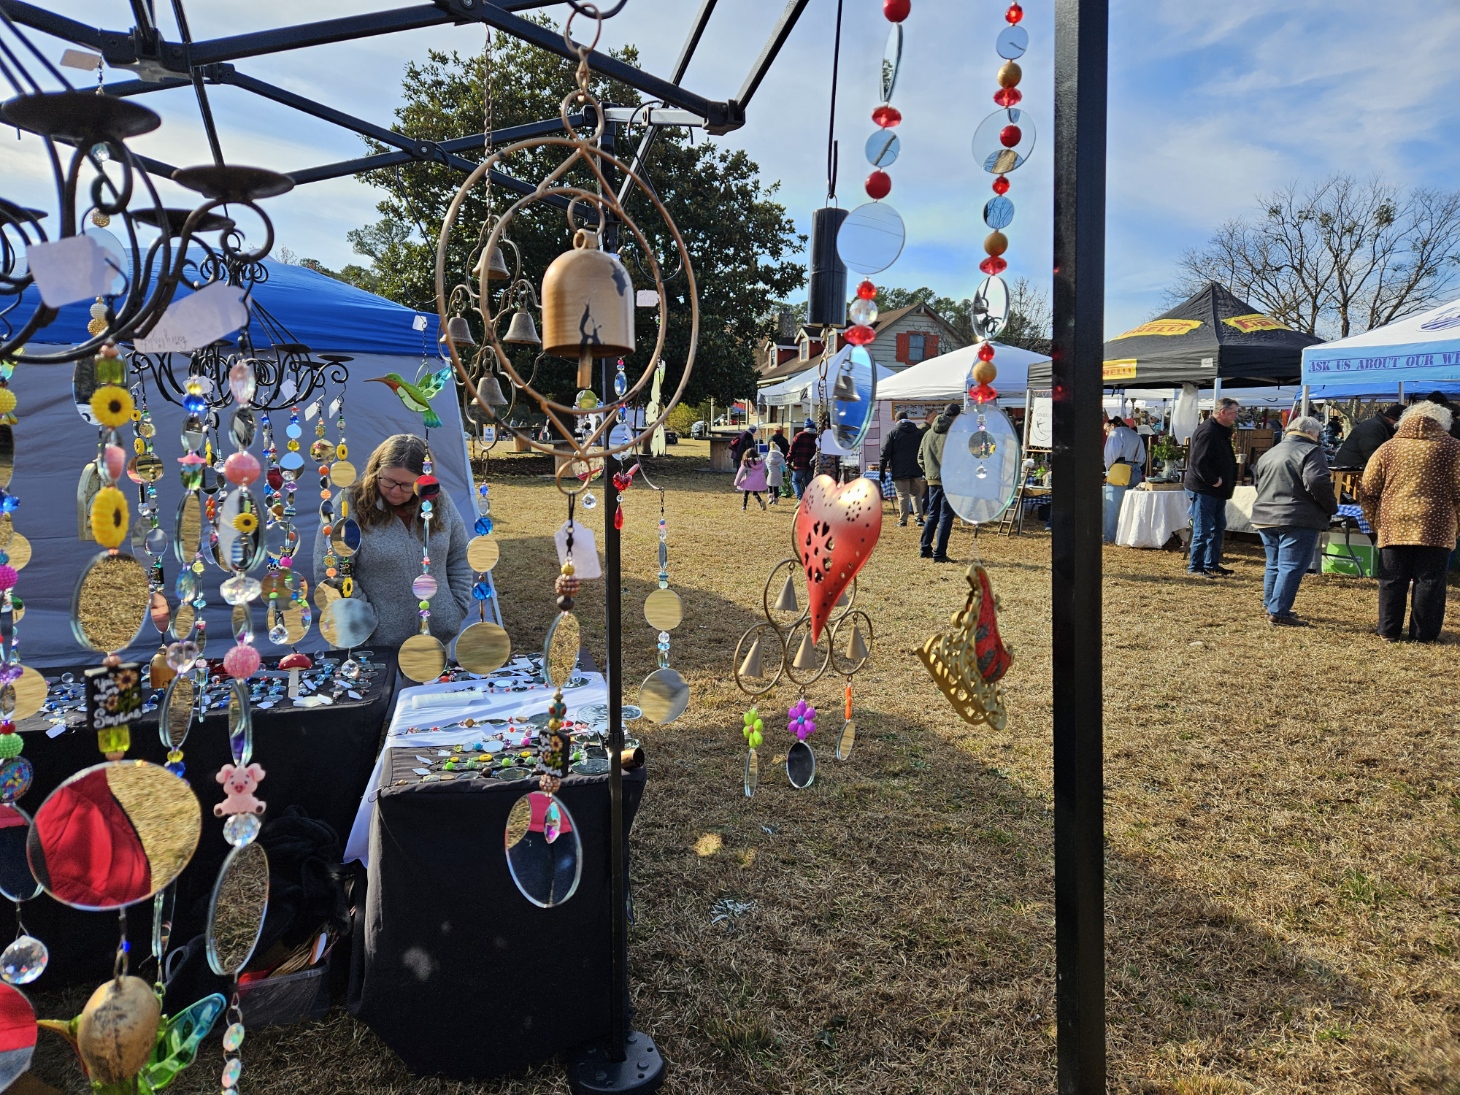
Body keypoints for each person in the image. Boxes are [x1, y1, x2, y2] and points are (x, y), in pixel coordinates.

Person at [314, 433, 473, 648]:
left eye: (407, 485)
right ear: (375, 471)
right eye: (388, 480)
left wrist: (454, 610)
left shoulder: (438, 500)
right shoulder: (350, 505)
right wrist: (368, 623)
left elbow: (459, 555)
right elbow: (331, 570)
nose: (395, 491)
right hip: (367, 647)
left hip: (433, 641)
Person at [1359, 401, 1460, 642]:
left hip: (1394, 522)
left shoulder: (1388, 448)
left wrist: (1375, 522)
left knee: (1392, 579)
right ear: (1443, 422)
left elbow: (1368, 490)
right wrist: (1456, 524)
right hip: (1437, 523)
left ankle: (1388, 630)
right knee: (1430, 581)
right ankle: (1423, 634)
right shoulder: (1454, 448)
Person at [1250, 416, 1337, 626]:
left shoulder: (1271, 452)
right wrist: (1331, 507)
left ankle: (1271, 604)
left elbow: (1258, 482)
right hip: (1297, 515)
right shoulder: (1311, 450)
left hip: (1265, 514)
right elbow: (1316, 480)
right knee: (1291, 565)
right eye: (1318, 435)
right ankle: (1278, 611)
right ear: (1312, 434)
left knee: (1275, 563)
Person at [1183, 397, 1240, 577]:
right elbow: (1198, 462)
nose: (1236, 417)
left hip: (1216, 490)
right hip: (1205, 489)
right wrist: (1214, 480)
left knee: (1217, 527)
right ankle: (1196, 566)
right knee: (1203, 529)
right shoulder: (1209, 431)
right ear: (1222, 412)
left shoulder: (1220, 430)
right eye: (1234, 413)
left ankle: (1211, 563)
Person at [919, 403, 960, 562]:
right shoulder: (955, 434)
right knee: (945, 517)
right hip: (949, 480)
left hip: (932, 479)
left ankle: (925, 548)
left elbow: (920, 457)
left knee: (932, 514)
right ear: (956, 416)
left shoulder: (928, 434)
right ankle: (939, 553)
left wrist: (929, 472)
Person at [1102, 415, 1146, 543]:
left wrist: (1108, 469)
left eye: (1106, 429)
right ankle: (1128, 537)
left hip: (1120, 469)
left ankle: (1110, 537)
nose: (1106, 433)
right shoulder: (1134, 434)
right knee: (1131, 506)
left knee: (1113, 507)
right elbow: (1142, 457)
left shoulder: (1115, 433)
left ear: (1112, 426)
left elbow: (1111, 455)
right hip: (1136, 469)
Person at [880, 409, 926, 526]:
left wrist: (882, 469)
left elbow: (885, 453)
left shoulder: (893, 433)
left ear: (896, 420)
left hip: (899, 470)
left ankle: (903, 520)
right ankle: (919, 518)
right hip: (916, 469)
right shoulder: (919, 433)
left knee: (902, 495)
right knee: (916, 494)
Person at [1333, 403, 1402, 470]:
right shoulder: (1373, 427)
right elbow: (1373, 455)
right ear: (1395, 420)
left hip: (1354, 469)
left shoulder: (1381, 427)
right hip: (1349, 472)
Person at [788, 419, 818, 499]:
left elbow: (792, 449)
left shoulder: (799, 435)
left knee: (795, 481)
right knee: (808, 484)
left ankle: (800, 498)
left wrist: (789, 460)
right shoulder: (817, 436)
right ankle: (808, 500)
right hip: (811, 464)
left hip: (799, 463)